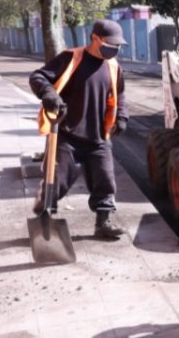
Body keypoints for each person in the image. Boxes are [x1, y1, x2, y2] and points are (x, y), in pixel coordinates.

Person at [29, 19, 128, 239]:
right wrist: (48, 93)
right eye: (110, 44)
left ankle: (103, 223)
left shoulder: (113, 66)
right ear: (94, 38)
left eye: (118, 45)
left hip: (98, 136)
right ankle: (43, 215)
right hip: (66, 134)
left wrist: (122, 116)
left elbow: (119, 93)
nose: (115, 49)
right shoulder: (71, 58)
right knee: (58, 181)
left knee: (105, 180)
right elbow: (38, 76)